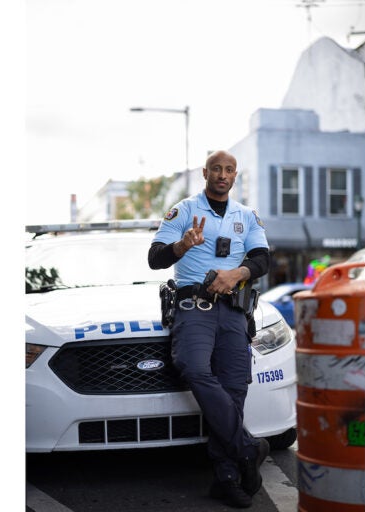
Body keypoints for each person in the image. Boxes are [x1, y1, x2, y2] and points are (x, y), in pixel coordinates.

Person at [148, 150, 271, 509]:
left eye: (229, 169)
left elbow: (263, 258)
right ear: (205, 173)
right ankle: (248, 448)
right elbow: (155, 258)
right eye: (216, 169)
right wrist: (182, 245)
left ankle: (227, 477)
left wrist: (237, 273)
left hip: (234, 310)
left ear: (235, 175)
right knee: (193, 367)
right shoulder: (184, 210)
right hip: (194, 306)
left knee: (235, 387)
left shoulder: (246, 215)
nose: (222, 174)